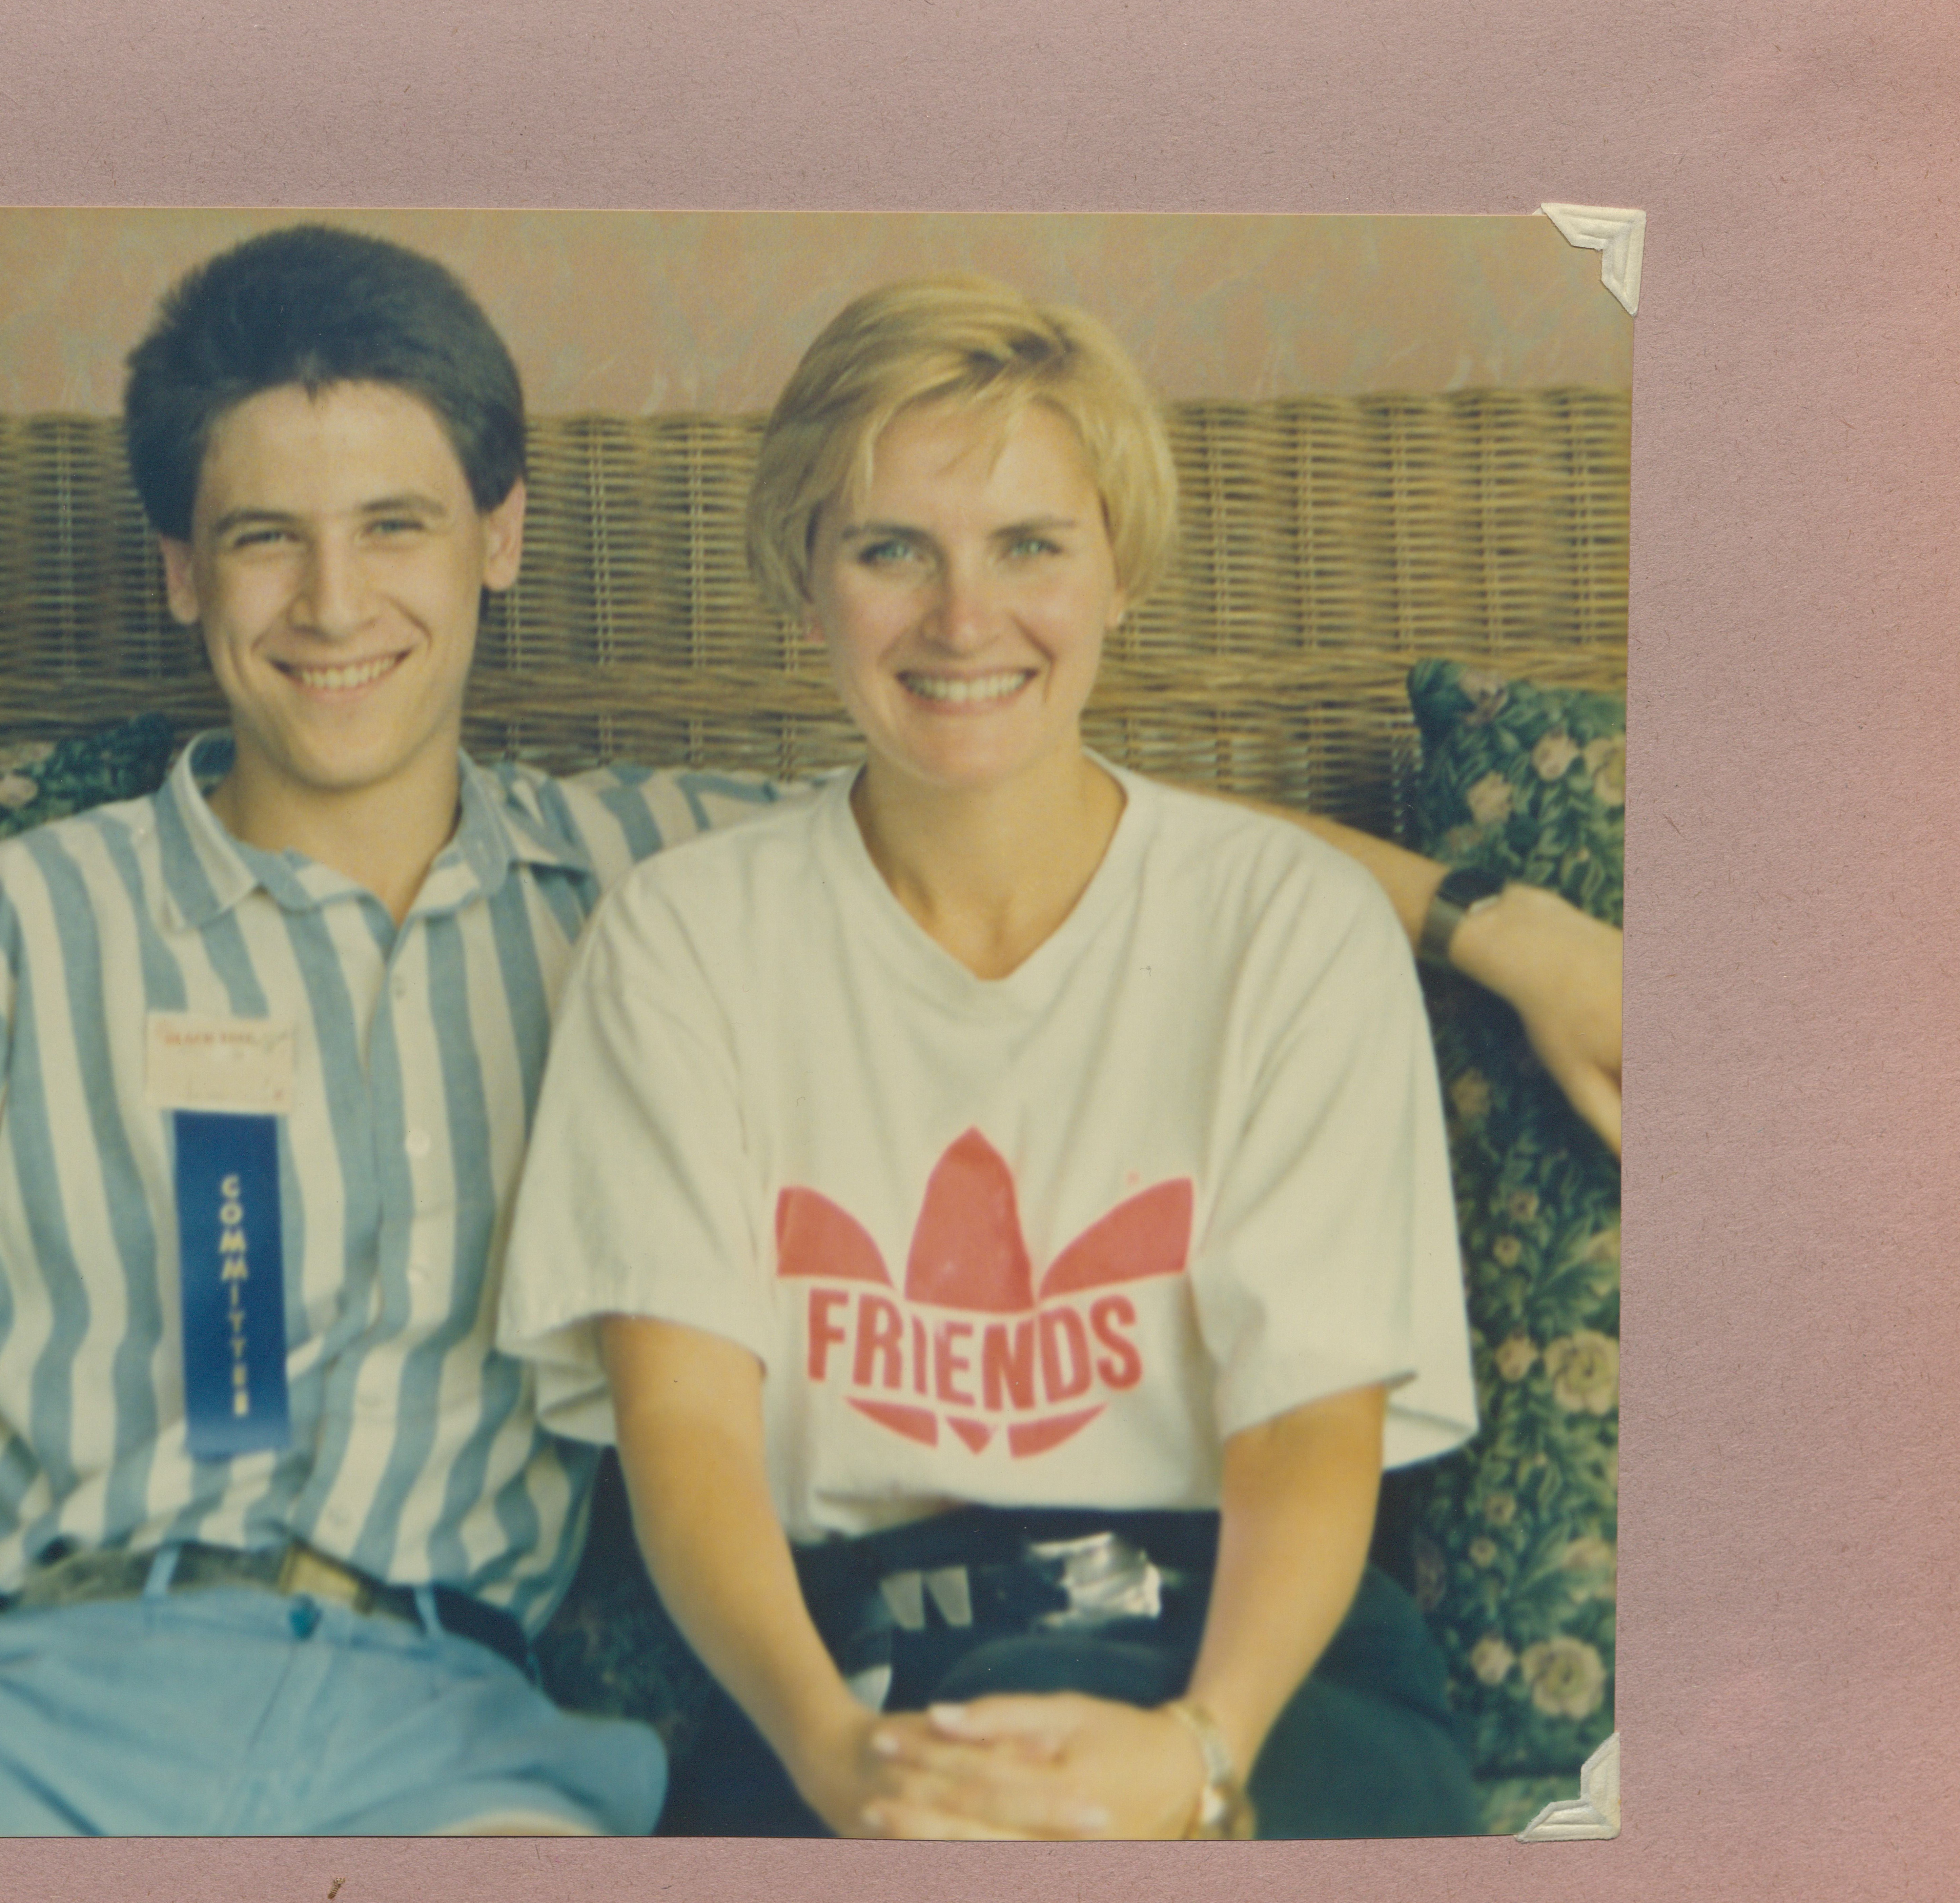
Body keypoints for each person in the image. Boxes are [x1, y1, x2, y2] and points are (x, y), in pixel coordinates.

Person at [0, 226, 1616, 1837]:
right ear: (179, 572)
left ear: (499, 535)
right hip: (31, 1703)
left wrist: (1491, 922)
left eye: (397, 525)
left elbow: (1020, 778)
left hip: (454, 1741)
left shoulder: (642, 886)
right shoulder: (16, 936)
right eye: (263, 541)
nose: (335, 604)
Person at [497, 276, 1494, 1839]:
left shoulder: (1289, 922)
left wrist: (1198, 1755)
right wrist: (836, 1758)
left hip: (1253, 1658)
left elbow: (1311, 1419)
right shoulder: (680, 937)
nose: (963, 621)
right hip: (847, 1672)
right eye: (892, 550)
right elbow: (680, 1436)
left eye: (1029, 546)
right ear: (804, 580)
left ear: (1119, 573)